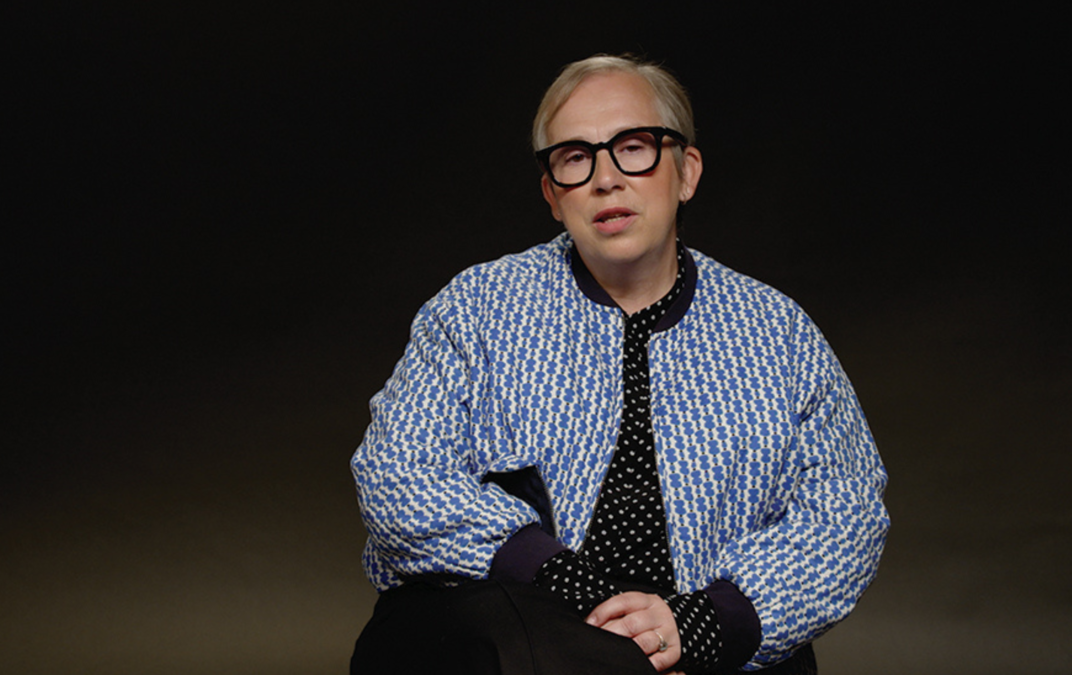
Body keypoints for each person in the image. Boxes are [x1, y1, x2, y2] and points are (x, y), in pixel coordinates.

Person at [349, 54, 889, 675]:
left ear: (685, 172)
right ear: (554, 195)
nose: (606, 178)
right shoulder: (476, 309)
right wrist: (555, 575)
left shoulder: (778, 333)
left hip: (702, 641)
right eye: (576, 158)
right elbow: (396, 472)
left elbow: (846, 514)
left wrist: (705, 624)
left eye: (633, 147)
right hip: (511, 635)